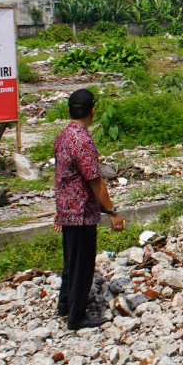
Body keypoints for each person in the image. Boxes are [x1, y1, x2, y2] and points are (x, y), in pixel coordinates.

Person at [54, 88, 125, 330]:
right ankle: (76, 316)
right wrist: (112, 212)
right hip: (82, 213)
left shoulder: (63, 136)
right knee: (82, 266)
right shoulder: (83, 140)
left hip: (66, 209)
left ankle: (64, 303)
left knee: (70, 261)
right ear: (92, 111)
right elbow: (96, 182)